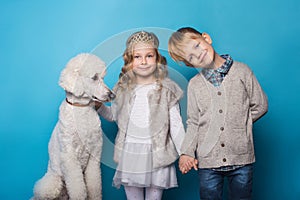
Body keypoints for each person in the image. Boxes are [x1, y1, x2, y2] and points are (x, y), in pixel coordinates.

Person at [168, 27, 268, 200]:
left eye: (197, 46)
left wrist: (238, 124)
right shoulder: (195, 85)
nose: (198, 54)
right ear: (190, 64)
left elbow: (260, 105)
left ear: (206, 38)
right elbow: (193, 122)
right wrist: (186, 152)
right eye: (191, 57)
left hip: (241, 157)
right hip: (208, 161)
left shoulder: (242, 71)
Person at [98, 31, 185, 200]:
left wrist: (184, 153)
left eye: (149, 56)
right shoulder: (123, 88)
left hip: (157, 152)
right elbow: (113, 116)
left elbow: (176, 124)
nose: (143, 61)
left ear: (157, 59)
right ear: (130, 62)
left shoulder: (167, 89)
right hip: (131, 151)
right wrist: (98, 106)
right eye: (137, 57)